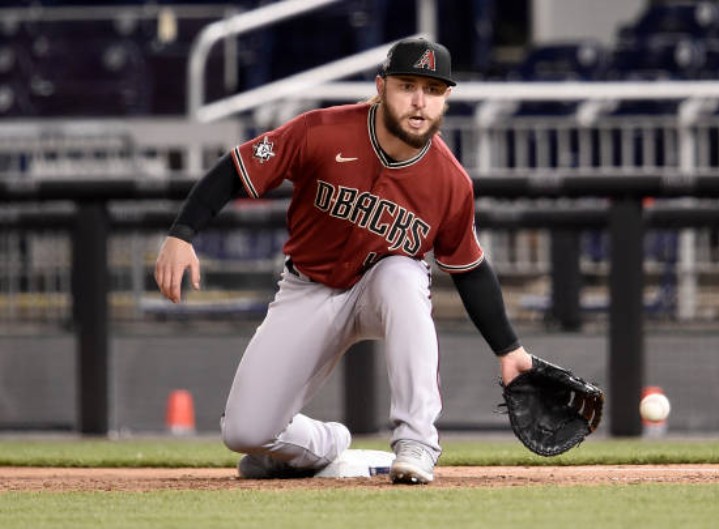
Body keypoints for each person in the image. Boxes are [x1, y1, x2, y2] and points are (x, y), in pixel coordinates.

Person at [154, 37, 533, 485]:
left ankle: (417, 442)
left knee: (402, 273)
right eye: (407, 86)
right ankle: (321, 445)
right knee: (245, 433)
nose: (419, 101)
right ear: (381, 87)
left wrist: (509, 349)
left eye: (432, 90)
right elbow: (237, 167)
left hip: (382, 289)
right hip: (308, 288)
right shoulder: (322, 130)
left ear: (446, 98)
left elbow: (469, 268)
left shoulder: (451, 181)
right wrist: (182, 233)